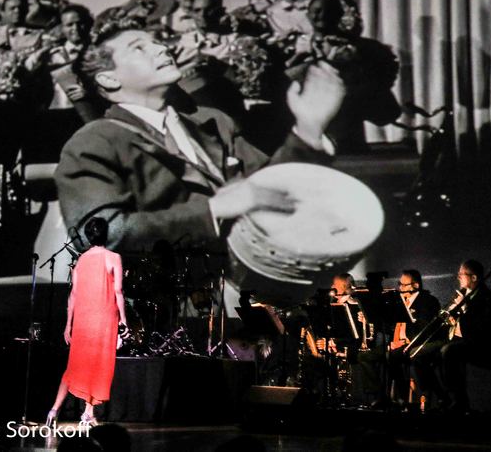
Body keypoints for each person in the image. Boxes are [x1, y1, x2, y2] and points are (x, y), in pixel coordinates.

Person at [54, 26, 344, 253]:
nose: (161, 48)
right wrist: (212, 211)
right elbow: (99, 235)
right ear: (109, 79)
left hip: (244, 285)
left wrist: (308, 131)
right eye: (139, 48)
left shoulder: (214, 121)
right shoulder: (93, 142)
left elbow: (271, 186)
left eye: (156, 42)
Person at [294, 0, 401, 153]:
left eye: (327, 11)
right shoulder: (294, 45)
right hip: (304, 133)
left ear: (339, 15)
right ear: (307, 15)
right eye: (315, 11)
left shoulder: (365, 48)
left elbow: (380, 91)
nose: (320, 15)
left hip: (346, 133)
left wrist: (351, 65)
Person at [46, 217, 127, 426]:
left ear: (89, 236)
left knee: (74, 366)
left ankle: (56, 410)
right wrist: (123, 321)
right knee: (97, 365)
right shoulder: (114, 257)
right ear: (105, 234)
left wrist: (68, 324)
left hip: (83, 319)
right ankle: (88, 413)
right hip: (103, 318)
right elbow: (118, 290)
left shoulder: (81, 260)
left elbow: (73, 294)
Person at [358, 269, 441, 408]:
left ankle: (402, 398)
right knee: (365, 356)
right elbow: (389, 325)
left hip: (411, 344)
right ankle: (380, 395)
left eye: (404, 285)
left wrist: (404, 341)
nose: (400, 287)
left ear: (415, 285)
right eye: (399, 284)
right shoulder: (398, 301)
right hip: (395, 342)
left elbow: (425, 328)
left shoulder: (427, 301)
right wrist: (369, 319)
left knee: (394, 356)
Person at [436, 259, 491, 412]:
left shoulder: (488, 298)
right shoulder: (465, 295)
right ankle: (445, 398)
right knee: (434, 352)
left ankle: (458, 401)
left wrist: (464, 309)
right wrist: (451, 317)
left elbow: (481, 330)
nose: (458, 277)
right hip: (463, 342)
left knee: (449, 351)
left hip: (482, 347)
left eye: (462, 274)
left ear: (474, 278)